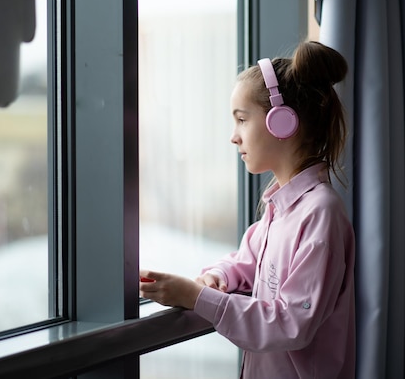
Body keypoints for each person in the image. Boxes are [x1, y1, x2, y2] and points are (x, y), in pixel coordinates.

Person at [139, 40, 355, 379]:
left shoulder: (320, 214)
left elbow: (290, 324)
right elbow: (247, 262)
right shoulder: (279, 208)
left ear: (282, 122)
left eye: (241, 120)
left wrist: (198, 297)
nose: (233, 137)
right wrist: (218, 277)